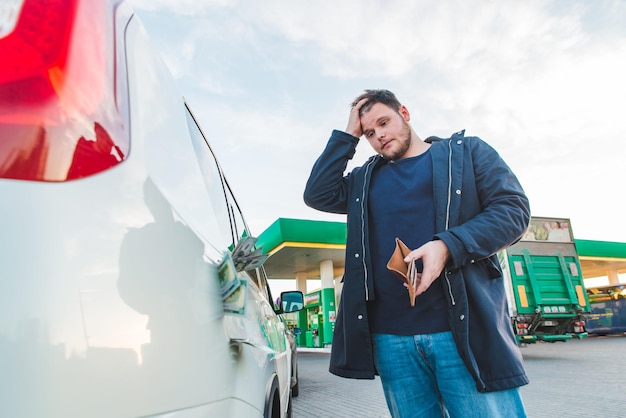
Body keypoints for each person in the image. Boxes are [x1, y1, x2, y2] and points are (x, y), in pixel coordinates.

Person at [303, 90, 530, 417]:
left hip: (463, 333)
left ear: (405, 113)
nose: (379, 135)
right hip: (392, 342)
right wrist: (347, 134)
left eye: (384, 122)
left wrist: (448, 246)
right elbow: (318, 193)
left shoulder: (466, 155)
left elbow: (513, 212)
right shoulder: (363, 180)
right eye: (368, 132)